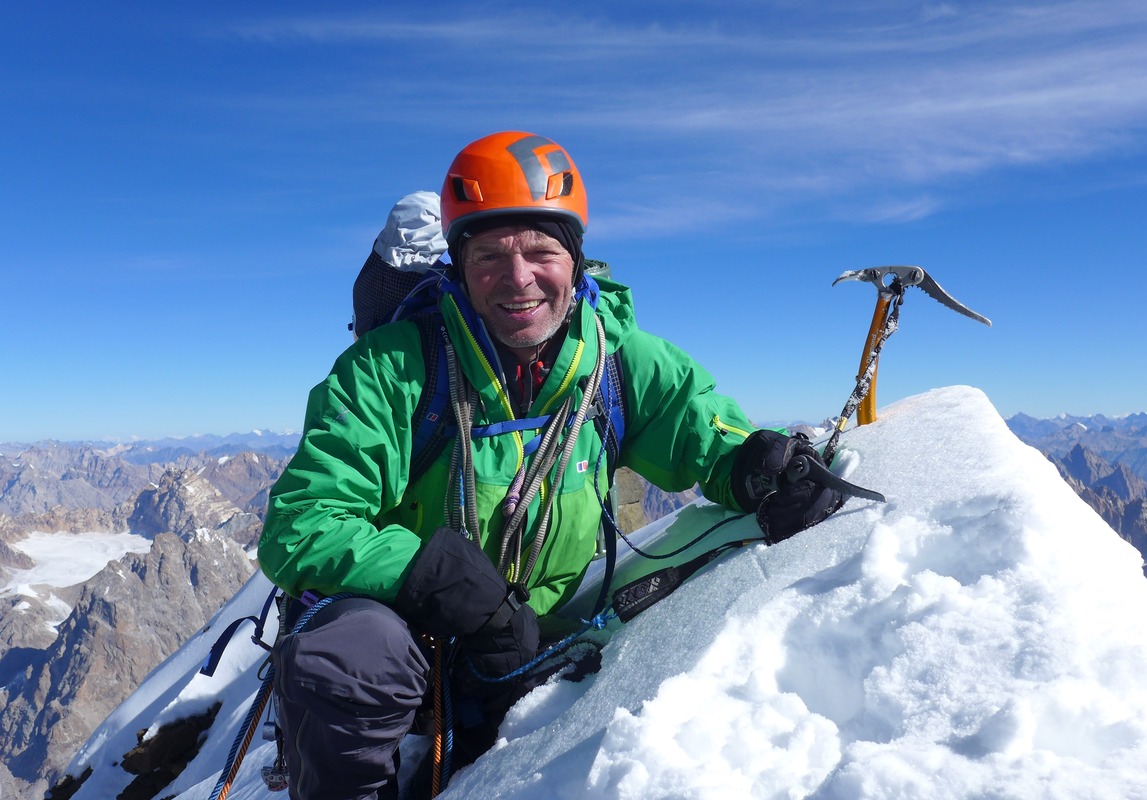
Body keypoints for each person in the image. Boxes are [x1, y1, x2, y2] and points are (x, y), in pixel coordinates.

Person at [258, 131, 844, 799]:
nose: (518, 279)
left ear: (577, 259)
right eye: (489, 257)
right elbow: (301, 523)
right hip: (416, 643)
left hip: (541, 636)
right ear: (456, 267)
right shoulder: (390, 370)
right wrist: (436, 576)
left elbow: (698, 428)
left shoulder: (616, 360)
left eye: (541, 251)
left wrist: (756, 468)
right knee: (347, 657)